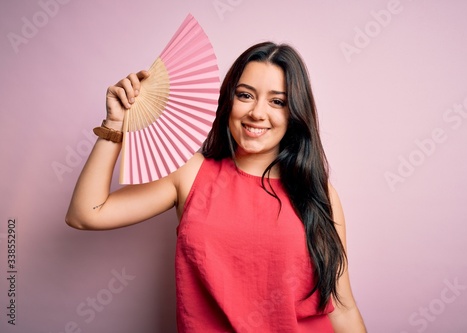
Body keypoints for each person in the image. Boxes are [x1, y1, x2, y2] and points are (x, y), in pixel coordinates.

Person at [66, 41, 366, 332]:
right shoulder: (191, 173)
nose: (257, 113)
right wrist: (114, 124)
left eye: (277, 101)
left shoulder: (317, 192)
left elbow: (342, 307)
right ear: (228, 100)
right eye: (245, 95)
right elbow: (86, 214)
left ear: (294, 114)